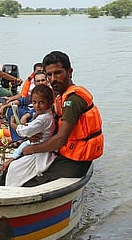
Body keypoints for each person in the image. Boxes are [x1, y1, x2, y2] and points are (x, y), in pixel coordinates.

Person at [21, 51, 104, 186]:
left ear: (69, 72)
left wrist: (31, 149)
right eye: (49, 74)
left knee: (29, 183)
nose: (53, 78)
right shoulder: (60, 96)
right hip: (66, 152)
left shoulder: (73, 100)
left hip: (76, 161)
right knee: (19, 167)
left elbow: (60, 139)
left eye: (58, 73)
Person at [1, 84, 57, 187]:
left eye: (41, 102)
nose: (37, 106)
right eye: (34, 102)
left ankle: (12, 189)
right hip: (35, 146)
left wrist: (14, 126)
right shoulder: (46, 115)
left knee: (14, 168)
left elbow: (26, 131)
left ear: (49, 103)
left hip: (39, 152)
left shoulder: (43, 118)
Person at [0, 70, 50, 144]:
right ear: (34, 83)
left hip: (41, 115)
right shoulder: (35, 93)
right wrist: (4, 106)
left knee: (25, 114)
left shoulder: (49, 93)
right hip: (32, 111)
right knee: (12, 109)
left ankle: (24, 138)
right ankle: (17, 139)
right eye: (38, 81)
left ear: (47, 81)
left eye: (43, 80)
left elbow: (44, 108)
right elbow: (22, 100)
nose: (40, 83)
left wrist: (27, 115)